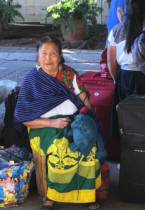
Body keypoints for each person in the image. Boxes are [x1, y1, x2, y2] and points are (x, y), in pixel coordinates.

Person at [12, 36, 105, 210]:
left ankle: (86, 194)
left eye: (53, 53)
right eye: (44, 54)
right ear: (38, 57)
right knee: (62, 147)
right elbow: (23, 118)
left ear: (60, 56)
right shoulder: (32, 80)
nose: (48, 58)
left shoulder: (70, 75)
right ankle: (51, 197)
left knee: (87, 144)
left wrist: (84, 120)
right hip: (43, 126)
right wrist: (51, 124)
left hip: (74, 121)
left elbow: (85, 104)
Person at [107, 0, 145, 137]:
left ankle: (128, 149)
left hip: (125, 77)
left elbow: (110, 61)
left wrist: (116, 80)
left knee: (127, 115)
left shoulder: (116, 30)